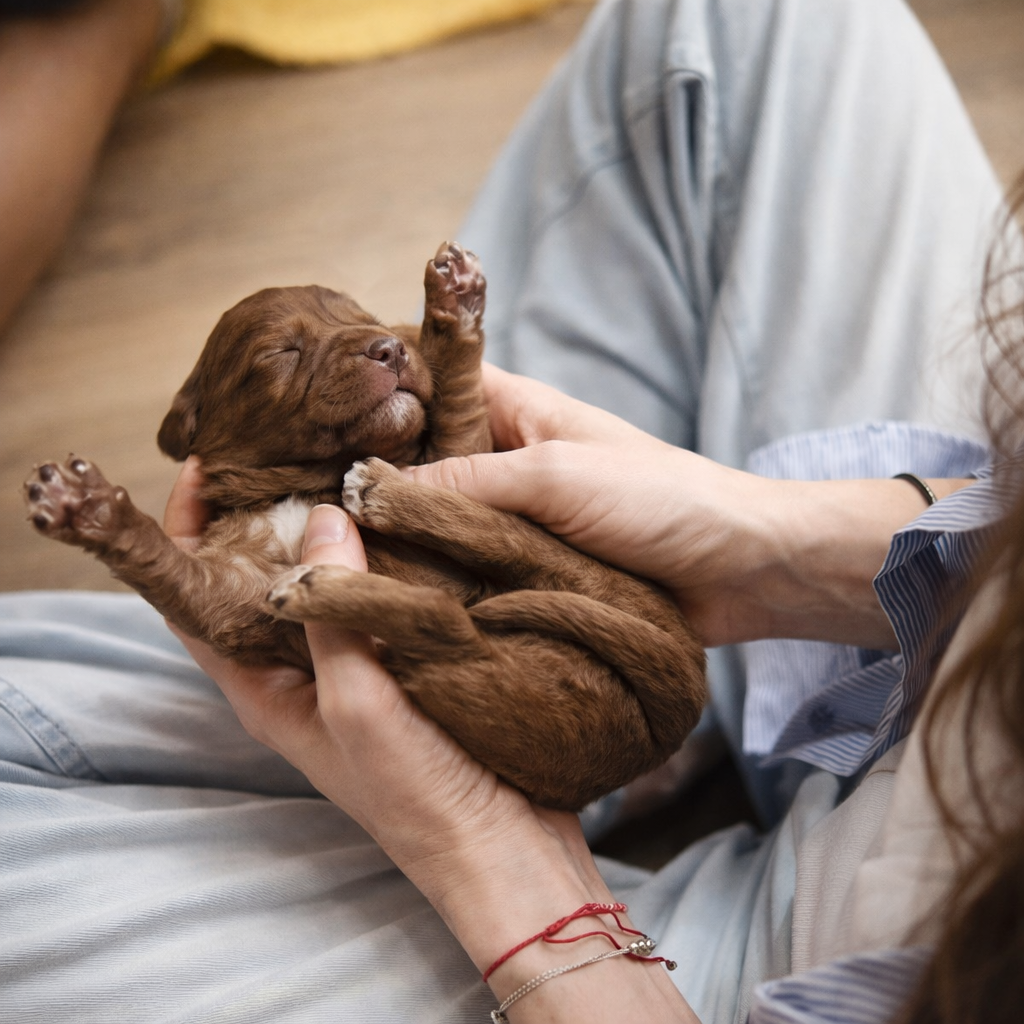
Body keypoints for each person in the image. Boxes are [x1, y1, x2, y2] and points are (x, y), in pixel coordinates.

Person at [1, 0, 1020, 1022]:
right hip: (940, 661)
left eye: (364, 334)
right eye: (289, 355)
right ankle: (717, 698)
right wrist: (787, 547)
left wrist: (493, 851)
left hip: (715, 974)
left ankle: (625, 775)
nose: (377, 344)